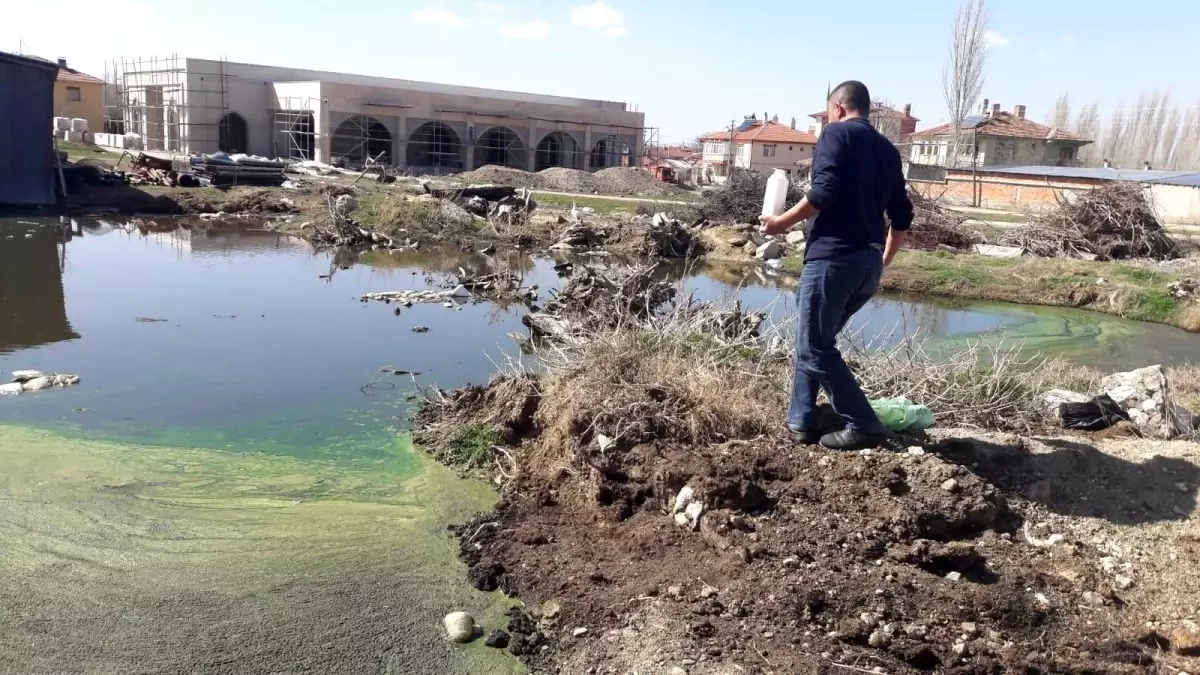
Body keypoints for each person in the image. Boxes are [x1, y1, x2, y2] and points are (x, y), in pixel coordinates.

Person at [760, 80, 913, 450]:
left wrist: (780, 224)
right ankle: (800, 421)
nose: (828, 117)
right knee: (813, 341)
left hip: (832, 260)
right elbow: (902, 218)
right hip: (866, 266)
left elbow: (823, 192)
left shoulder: (836, 134)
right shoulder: (888, 151)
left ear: (839, 107)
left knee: (814, 347)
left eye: (829, 111)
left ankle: (863, 424)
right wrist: (881, 262)